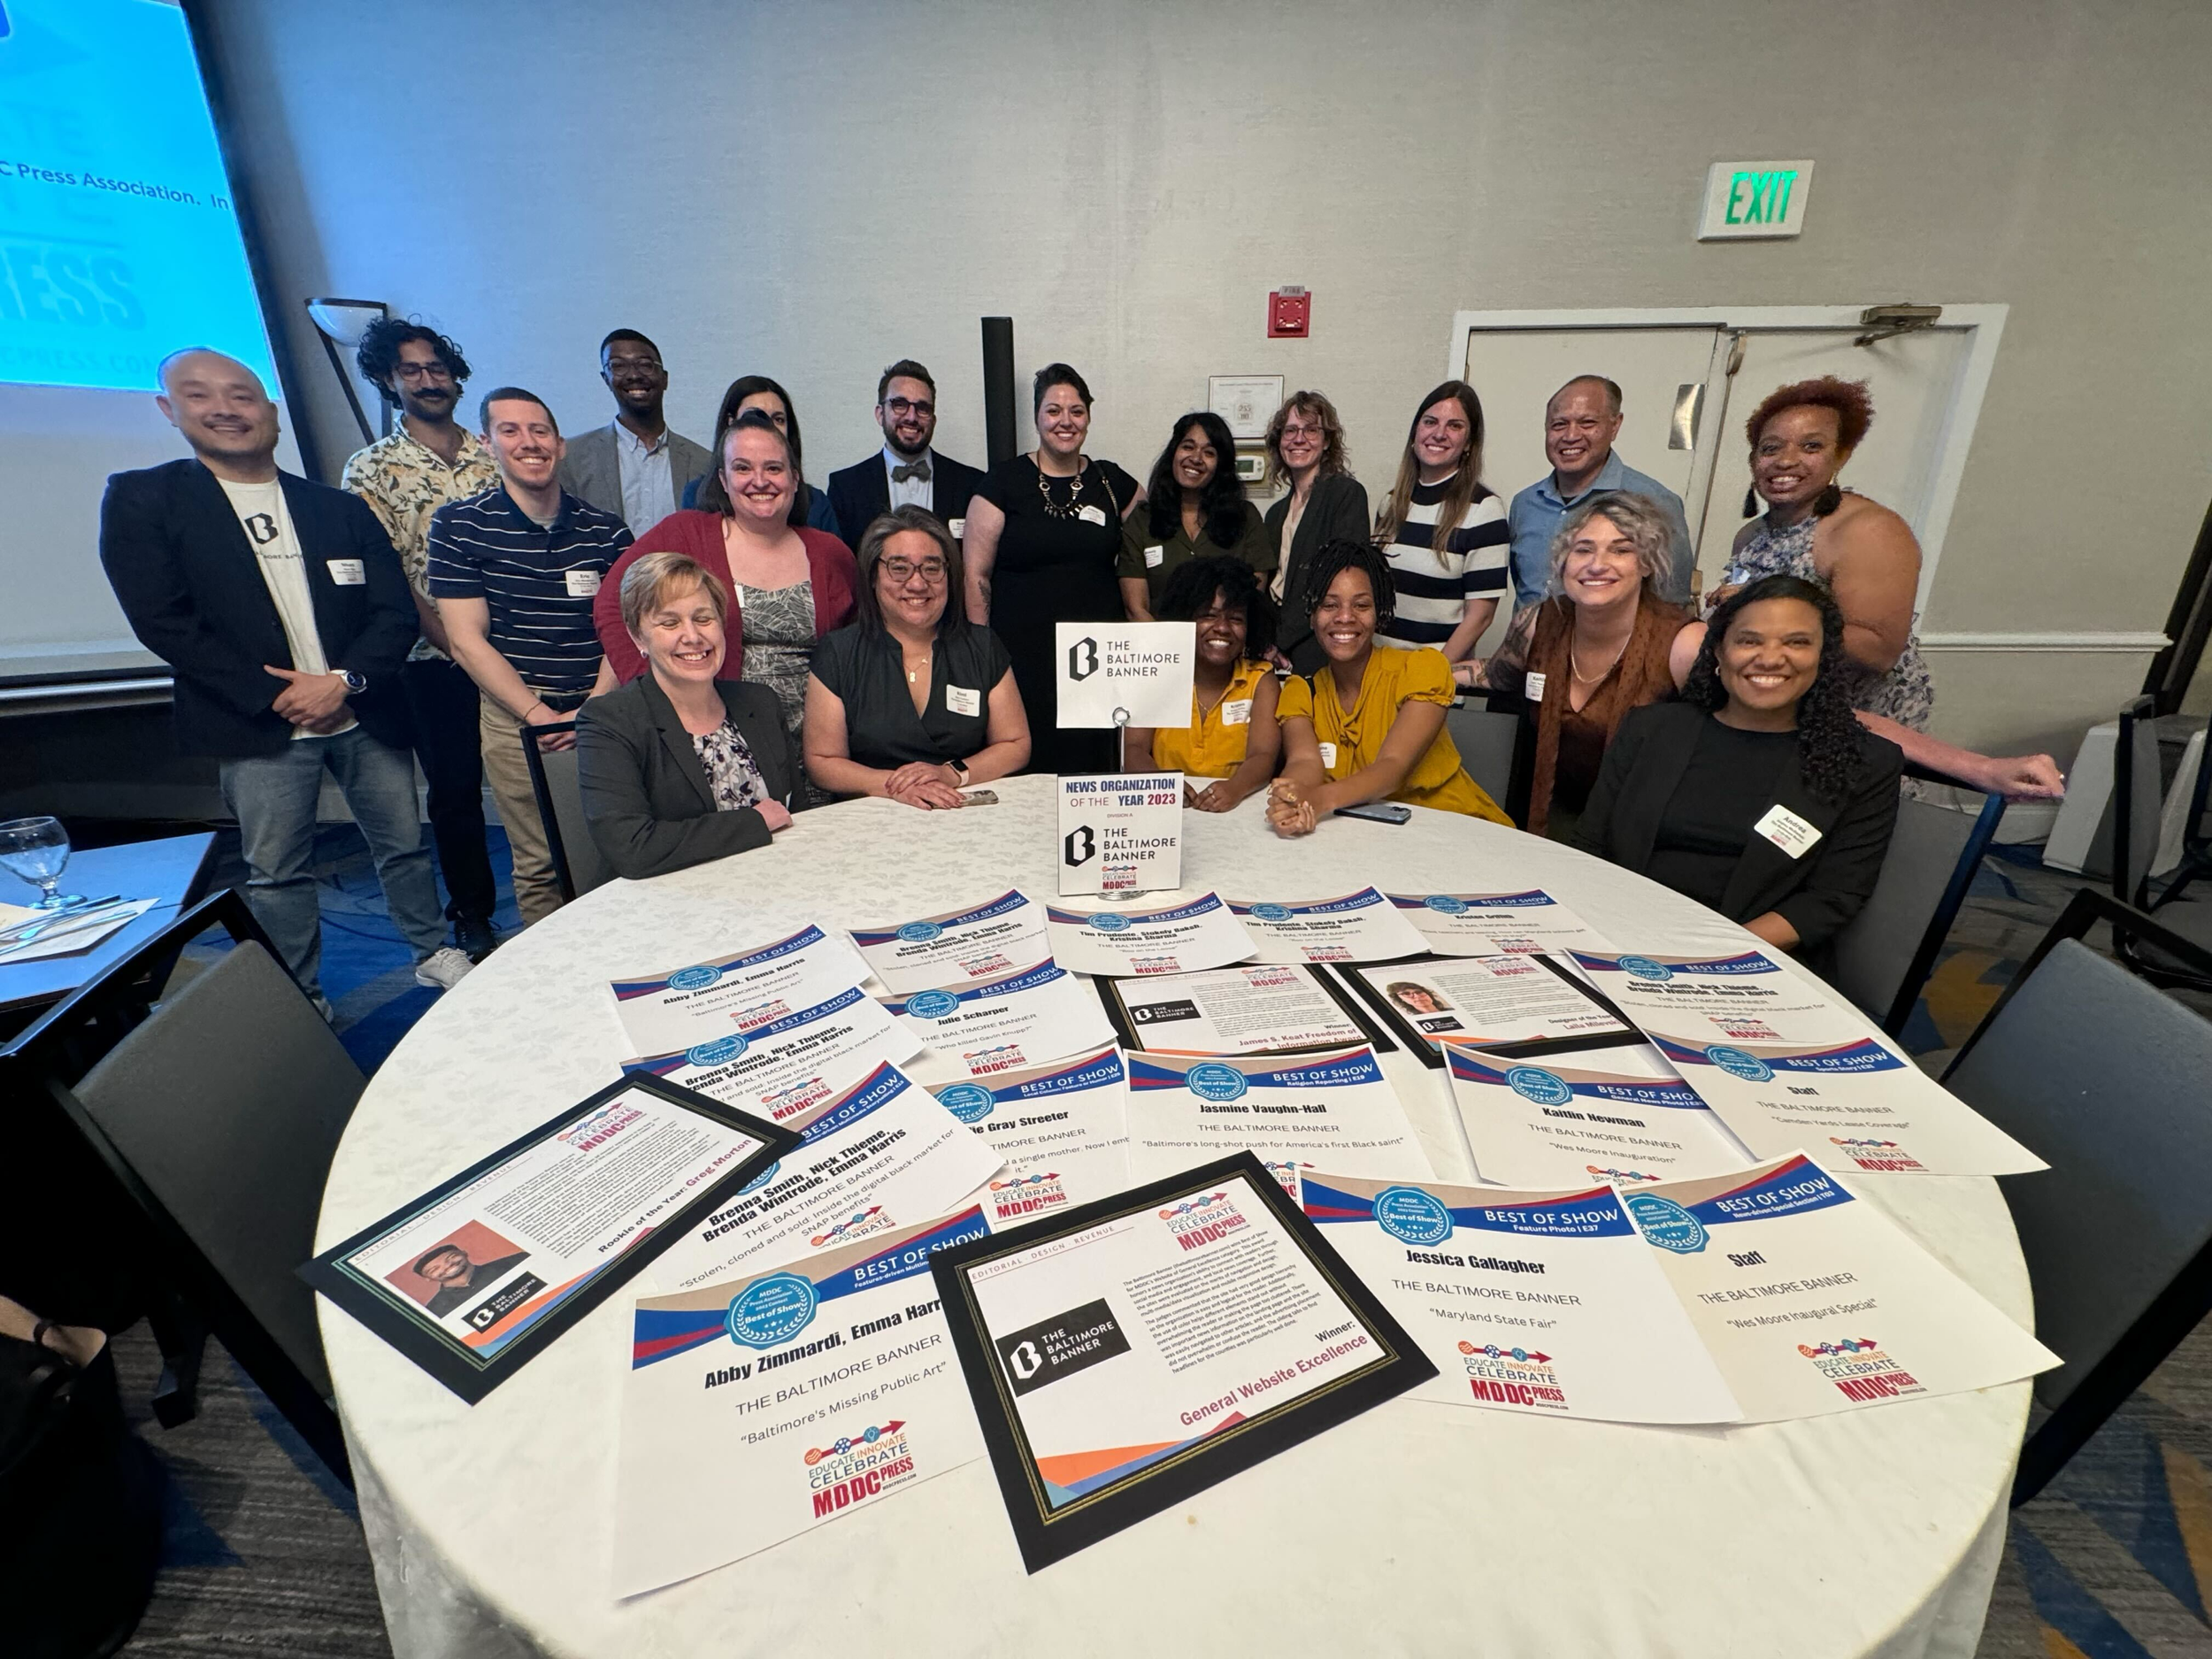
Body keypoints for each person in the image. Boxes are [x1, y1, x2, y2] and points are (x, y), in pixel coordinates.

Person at [99, 349, 473, 1010]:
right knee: (277, 871)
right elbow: (163, 621)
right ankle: (300, 996)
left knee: (405, 844)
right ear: (169, 410)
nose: (224, 409)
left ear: (270, 411)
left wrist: (344, 680)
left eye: (242, 396)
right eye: (200, 395)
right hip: (256, 721)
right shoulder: (145, 499)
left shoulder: (338, 507)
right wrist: (280, 693)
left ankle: (431, 950)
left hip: (363, 709)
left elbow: (392, 608)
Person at [1718, 375, 2065, 798]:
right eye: (1771, 448)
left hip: (1858, 716)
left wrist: (1763, 613)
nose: (1786, 461)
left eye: (1811, 446)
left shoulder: (1868, 530)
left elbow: (1878, 649)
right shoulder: (1752, 536)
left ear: (1840, 456)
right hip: (1781, 707)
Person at [1576, 574, 1902, 957]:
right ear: (1718, 651)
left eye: (1797, 642)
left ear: (1822, 657)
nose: (1769, 658)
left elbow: (1831, 899)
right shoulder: (1651, 730)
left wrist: (1711, 951)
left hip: (1749, 955)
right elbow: (1589, 848)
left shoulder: (1864, 762)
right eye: (1749, 640)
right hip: (1618, 936)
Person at [426, 387, 632, 926]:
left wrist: (593, 708)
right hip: (516, 718)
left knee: (617, 846)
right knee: (540, 864)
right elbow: (466, 639)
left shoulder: (605, 530)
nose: (529, 443)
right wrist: (539, 718)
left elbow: (626, 629)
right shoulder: (458, 527)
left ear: (560, 445)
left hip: (604, 711)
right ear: (486, 443)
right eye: (510, 431)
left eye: (540, 431)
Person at [342, 318, 504, 962]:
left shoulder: (492, 452)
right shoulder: (371, 469)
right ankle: (473, 913)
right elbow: (386, 572)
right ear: (388, 378)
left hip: (515, 651)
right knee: (458, 791)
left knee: (533, 782)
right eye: (412, 370)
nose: (429, 380)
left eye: (437, 368)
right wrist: (458, 643)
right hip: (431, 660)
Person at [595, 411, 858, 806]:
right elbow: (613, 605)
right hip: (723, 750)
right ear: (722, 479)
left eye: (774, 467)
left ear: (795, 477)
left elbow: (855, 648)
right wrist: (660, 692)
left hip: (819, 752)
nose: (760, 480)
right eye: (742, 468)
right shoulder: (684, 533)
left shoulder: (829, 552)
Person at [1471, 494, 1701, 841]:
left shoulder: (1684, 643)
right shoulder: (1538, 622)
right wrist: (1413, 671)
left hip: (1648, 831)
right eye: (1583, 549)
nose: (1597, 564)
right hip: (1549, 816)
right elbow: (1495, 675)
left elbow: (1719, 749)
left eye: (1621, 550)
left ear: (1647, 564)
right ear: (1563, 563)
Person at [963, 363, 1142, 774]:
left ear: (1089, 417)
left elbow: (1150, 545)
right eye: (1054, 410)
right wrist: (983, 653)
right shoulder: (1002, 484)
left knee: (1094, 766)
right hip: (1023, 657)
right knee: (1027, 764)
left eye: (1076, 411)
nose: (1066, 421)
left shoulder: (1112, 483)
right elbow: (975, 575)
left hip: (1097, 660)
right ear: (1037, 417)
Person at [1265, 540, 1513, 835]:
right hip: (1367, 837)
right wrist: (1292, 798)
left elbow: (1392, 768)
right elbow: (1304, 761)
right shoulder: (1301, 690)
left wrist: (1317, 800)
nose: (1345, 617)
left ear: (1378, 613)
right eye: (1329, 605)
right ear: (1312, 615)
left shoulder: (1421, 669)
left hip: (1453, 829)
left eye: (1361, 605)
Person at [576, 550, 795, 877]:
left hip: (773, 884)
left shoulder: (760, 703)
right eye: (669, 622)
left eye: (704, 618)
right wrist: (753, 822)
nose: (692, 637)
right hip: (666, 907)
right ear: (638, 636)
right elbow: (632, 848)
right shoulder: (609, 721)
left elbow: (793, 812)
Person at [804, 506, 1028, 807]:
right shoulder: (839, 653)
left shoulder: (982, 646)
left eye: (932, 568)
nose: (918, 583)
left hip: (963, 810)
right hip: (872, 816)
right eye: (899, 568)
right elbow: (822, 761)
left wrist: (951, 774)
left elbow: (1015, 744)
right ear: (872, 575)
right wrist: (897, 787)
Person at [1507, 376, 1694, 608]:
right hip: (1530, 643)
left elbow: (1672, 605)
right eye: (1559, 424)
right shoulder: (1525, 504)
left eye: (1587, 423)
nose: (1571, 436)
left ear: (1615, 426)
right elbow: (1525, 589)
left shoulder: (1655, 502)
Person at [1122, 556, 1282, 812]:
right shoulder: (1156, 673)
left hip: (1239, 807)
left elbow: (1263, 756)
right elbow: (1134, 748)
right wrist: (1161, 786)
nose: (1222, 628)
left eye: (1236, 619)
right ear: (1185, 620)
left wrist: (1234, 788)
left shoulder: (1261, 680)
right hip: (1162, 808)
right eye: (1209, 615)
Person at [1371, 380, 1509, 657]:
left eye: (1455, 426)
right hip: (1378, 667)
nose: (1439, 434)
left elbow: (1480, 616)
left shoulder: (1484, 510)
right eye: (1430, 422)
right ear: (1415, 433)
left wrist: (1435, 672)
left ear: (1469, 443)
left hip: (1434, 675)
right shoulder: (1391, 503)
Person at [1118, 411, 1271, 620]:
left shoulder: (1245, 518)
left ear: (1221, 466)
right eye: (1188, 447)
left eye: (1209, 453)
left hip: (1224, 644)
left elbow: (1251, 602)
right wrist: (1169, 650)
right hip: (1161, 648)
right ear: (1173, 453)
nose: (1196, 458)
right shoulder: (1143, 519)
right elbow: (1136, 609)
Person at [557, 329, 712, 532]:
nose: (633, 375)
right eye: (618, 366)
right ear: (606, 379)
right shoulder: (571, 459)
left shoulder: (705, 463)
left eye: (645, 365)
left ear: (665, 379)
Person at [1260, 390, 1369, 673]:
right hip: (1274, 650)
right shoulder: (1275, 514)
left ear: (1327, 440)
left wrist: (1284, 642)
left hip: (1321, 646)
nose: (1299, 439)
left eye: (1311, 430)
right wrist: (1268, 644)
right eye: (1290, 431)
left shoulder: (1346, 495)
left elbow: (1342, 579)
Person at [825, 360, 985, 544]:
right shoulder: (845, 487)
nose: (911, 417)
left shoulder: (972, 484)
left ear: (933, 420)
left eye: (923, 408)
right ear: (880, 414)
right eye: (899, 404)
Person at [680, 374, 842, 541]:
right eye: (754, 417)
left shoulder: (816, 503)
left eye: (778, 419)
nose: (767, 427)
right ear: (730, 423)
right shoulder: (697, 494)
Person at [412, 1242, 531, 1319]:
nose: (447, 1266)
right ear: (428, 1279)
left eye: (451, 1257)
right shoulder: (434, 1311)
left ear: (464, 1253)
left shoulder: (517, 1261)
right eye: (434, 1269)